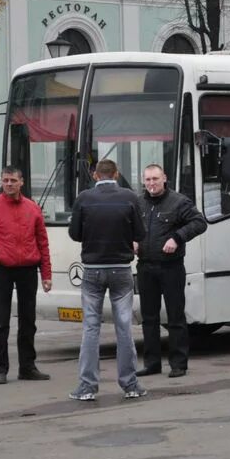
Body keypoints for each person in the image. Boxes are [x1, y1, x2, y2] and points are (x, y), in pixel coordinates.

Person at [67, 159, 147, 401]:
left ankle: (87, 387)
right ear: (117, 173)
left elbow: (74, 234)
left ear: (95, 176)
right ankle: (130, 384)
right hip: (121, 269)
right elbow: (140, 234)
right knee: (124, 327)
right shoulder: (130, 197)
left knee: (91, 327)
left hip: (92, 269)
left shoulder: (84, 198)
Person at [0, 166, 53, 385]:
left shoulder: (32, 208)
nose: (8, 184)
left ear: (22, 182)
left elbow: (42, 243)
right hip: (3, 270)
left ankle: (27, 367)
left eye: (12, 180)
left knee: (29, 321)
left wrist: (46, 274)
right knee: (0, 321)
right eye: (5, 180)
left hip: (28, 269)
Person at [135, 163, 207, 378]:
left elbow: (199, 222)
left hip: (171, 267)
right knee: (149, 318)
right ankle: (152, 363)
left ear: (164, 178)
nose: (151, 184)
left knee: (175, 317)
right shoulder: (137, 202)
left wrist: (177, 238)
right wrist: (132, 240)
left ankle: (178, 364)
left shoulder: (178, 202)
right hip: (146, 266)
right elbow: (129, 224)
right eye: (147, 180)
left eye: (155, 179)